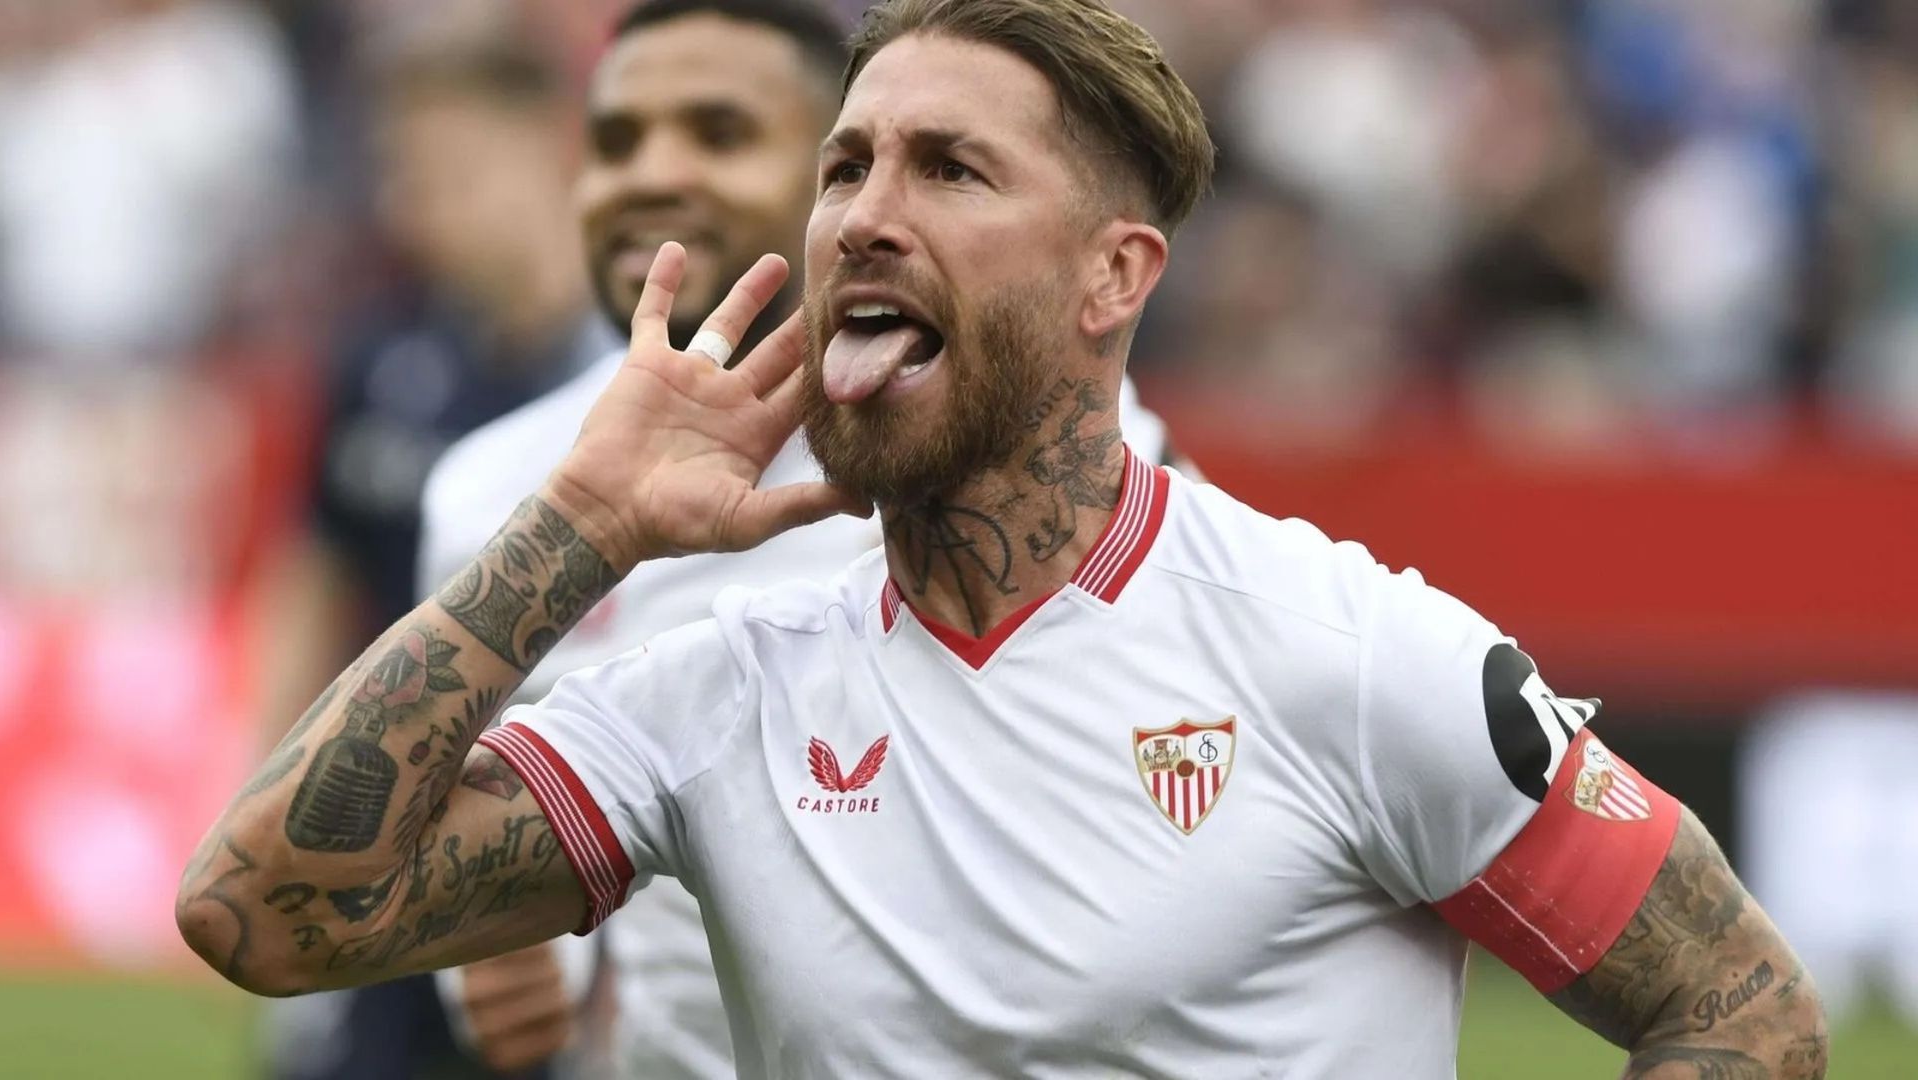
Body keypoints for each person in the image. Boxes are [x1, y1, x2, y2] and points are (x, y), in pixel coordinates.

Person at [179, 1, 1830, 1076]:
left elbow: (1740, 1010)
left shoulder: (1346, 657)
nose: (865, 214)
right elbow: (263, 915)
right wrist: (585, 524)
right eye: (846, 167)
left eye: (950, 170)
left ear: (1115, 275)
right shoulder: (718, 690)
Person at [415, 2, 1179, 1074]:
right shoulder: (495, 490)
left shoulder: (1004, 454)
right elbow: (454, 807)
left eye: (720, 133)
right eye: (616, 141)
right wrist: (489, 943)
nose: (652, 174)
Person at [259, 27, 607, 1080]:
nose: (415, 209)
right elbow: (318, 585)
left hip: (556, 831)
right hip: (377, 824)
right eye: (404, 177)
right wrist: (266, 788)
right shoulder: (377, 362)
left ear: (555, 154)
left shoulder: (634, 385)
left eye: (451, 173)